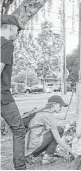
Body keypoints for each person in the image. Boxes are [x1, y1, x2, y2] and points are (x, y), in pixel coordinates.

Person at [1, 14, 26, 170]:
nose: (18, 32)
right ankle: (20, 167)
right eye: (17, 29)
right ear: (10, 27)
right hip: (2, 96)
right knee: (19, 129)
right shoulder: (6, 44)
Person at [25, 95, 75, 165]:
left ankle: (30, 155)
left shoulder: (42, 111)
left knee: (57, 129)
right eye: (60, 106)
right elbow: (58, 140)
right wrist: (73, 152)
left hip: (28, 145)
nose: (61, 108)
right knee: (60, 130)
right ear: (55, 104)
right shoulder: (48, 116)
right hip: (33, 145)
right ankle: (47, 158)